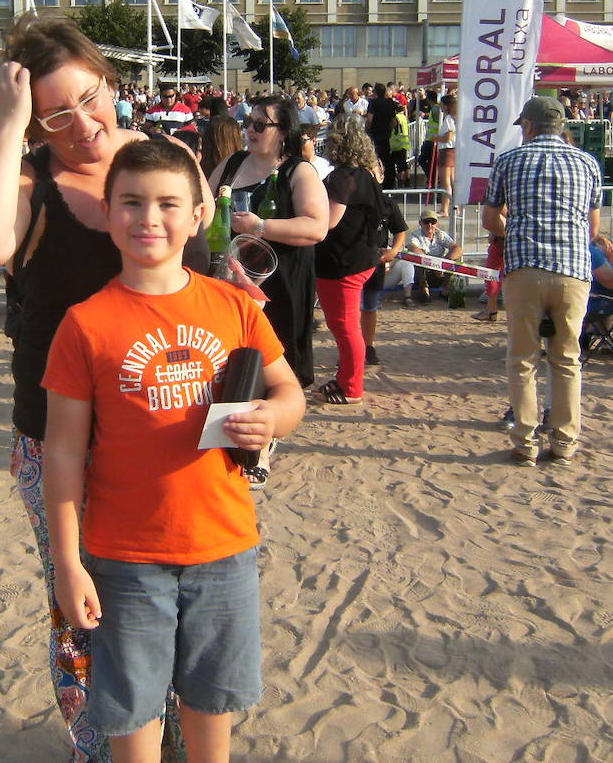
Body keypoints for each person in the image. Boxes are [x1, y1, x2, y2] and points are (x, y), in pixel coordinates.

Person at [0, 13, 208, 763]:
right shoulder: (30, 178)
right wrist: (9, 129)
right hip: (58, 437)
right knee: (85, 605)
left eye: (90, 98)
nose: (84, 125)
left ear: (112, 81)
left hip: (167, 427)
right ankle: (99, 746)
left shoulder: (164, 158)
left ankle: (172, 741)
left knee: (176, 598)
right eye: (55, 114)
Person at [43, 138, 305, 763]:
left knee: (212, 699)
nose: (148, 218)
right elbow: (61, 453)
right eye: (131, 202)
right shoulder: (86, 323)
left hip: (224, 544)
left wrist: (274, 417)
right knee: (132, 704)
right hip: (125, 557)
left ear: (199, 216)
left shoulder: (234, 307)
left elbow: (290, 390)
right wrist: (67, 562)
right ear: (107, 214)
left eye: (167, 203)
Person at [482, 97, 601, 467]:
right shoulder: (587, 162)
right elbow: (592, 228)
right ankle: (565, 443)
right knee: (567, 360)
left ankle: (525, 443)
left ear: (529, 127)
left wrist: (513, 230)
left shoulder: (509, 160)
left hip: (525, 267)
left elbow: (490, 218)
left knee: (522, 359)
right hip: (572, 269)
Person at [208, 95, 328, 388]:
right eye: (249, 123)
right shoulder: (232, 163)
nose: (250, 131)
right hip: (230, 279)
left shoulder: (298, 170)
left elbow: (317, 227)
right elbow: (201, 208)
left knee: (275, 368)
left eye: (260, 126)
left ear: (284, 131)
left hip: (280, 283)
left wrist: (260, 226)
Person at [313, 114, 384, 405]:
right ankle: (346, 378)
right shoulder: (364, 174)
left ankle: (352, 387)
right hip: (360, 259)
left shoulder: (343, 177)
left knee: (344, 326)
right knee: (345, 326)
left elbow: (328, 222)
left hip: (343, 263)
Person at [358, 187, 409, 365]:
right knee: (348, 310)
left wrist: (394, 250)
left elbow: (400, 229)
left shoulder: (387, 203)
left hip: (375, 262)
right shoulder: (348, 199)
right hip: (349, 262)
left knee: (370, 306)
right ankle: (350, 349)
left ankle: (368, 346)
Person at [403, 208, 463, 305]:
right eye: (426, 222)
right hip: (422, 272)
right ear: (420, 223)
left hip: (440, 271)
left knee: (456, 257)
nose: (430, 225)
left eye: (433, 222)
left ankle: (445, 290)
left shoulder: (441, 234)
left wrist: (443, 264)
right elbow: (413, 248)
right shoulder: (414, 236)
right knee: (418, 257)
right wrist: (433, 265)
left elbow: (458, 249)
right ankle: (424, 291)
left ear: (437, 223)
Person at [433, 94, 457, 216]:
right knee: (452, 181)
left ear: (446, 105)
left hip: (447, 151)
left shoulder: (449, 119)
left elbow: (448, 137)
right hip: (454, 150)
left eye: (442, 104)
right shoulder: (455, 117)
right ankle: (455, 206)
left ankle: (444, 209)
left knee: (445, 181)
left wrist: (437, 138)